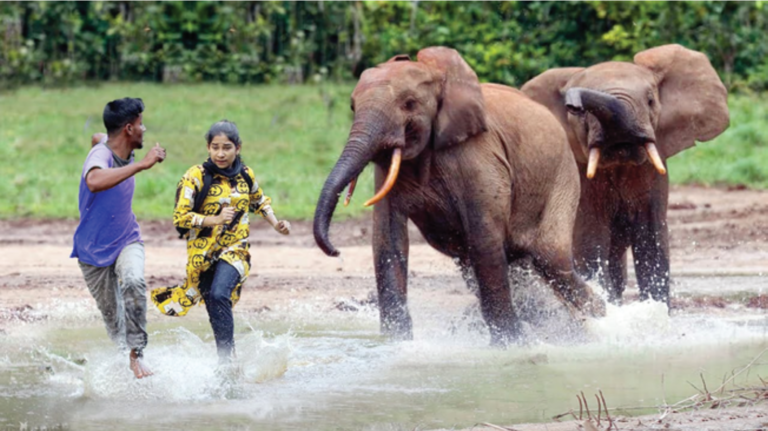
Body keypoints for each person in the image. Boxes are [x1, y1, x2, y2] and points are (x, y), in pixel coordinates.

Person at [151, 120, 290, 366]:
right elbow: (180, 217)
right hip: (202, 258)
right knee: (215, 306)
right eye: (215, 147)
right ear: (208, 147)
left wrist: (276, 224)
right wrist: (213, 219)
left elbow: (259, 201)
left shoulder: (245, 174)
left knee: (218, 293)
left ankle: (228, 364)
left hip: (236, 250)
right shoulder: (195, 176)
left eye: (226, 147)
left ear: (238, 147)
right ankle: (225, 361)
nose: (220, 153)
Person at [71, 97, 166, 379]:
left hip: (127, 238)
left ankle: (137, 356)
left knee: (134, 281)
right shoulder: (100, 157)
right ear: (128, 128)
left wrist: (99, 141)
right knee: (115, 323)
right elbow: (94, 181)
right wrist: (142, 165)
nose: (144, 129)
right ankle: (123, 361)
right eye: (140, 124)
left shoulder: (110, 143)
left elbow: (97, 136)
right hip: (92, 252)